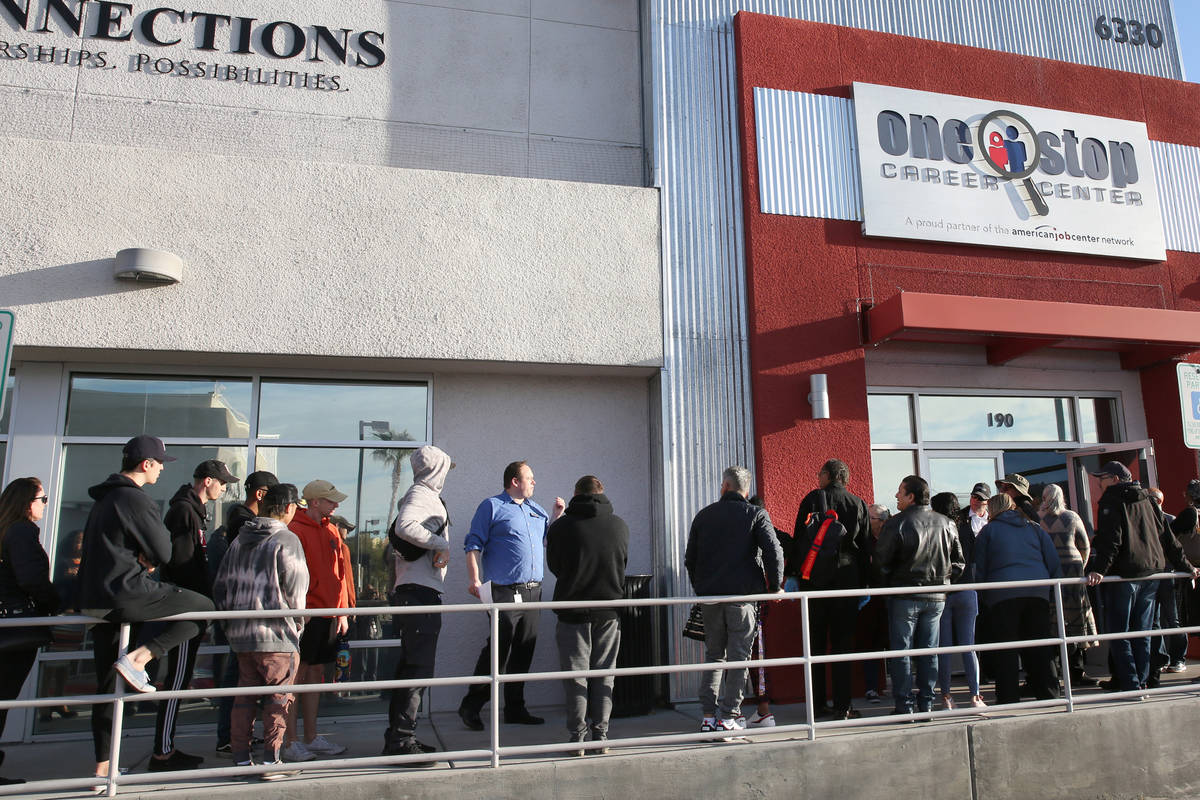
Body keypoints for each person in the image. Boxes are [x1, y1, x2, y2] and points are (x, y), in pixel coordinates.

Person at [77, 435, 215, 783]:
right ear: (146, 464)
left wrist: (145, 555)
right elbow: (165, 551)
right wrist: (149, 557)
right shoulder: (134, 498)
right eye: (160, 464)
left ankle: (103, 768)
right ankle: (140, 658)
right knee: (203, 608)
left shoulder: (105, 498)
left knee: (108, 687)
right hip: (127, 594)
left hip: (98, 600)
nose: (161, 471)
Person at [213, 483, 308, 781]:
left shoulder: (238, 540)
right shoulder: (287, 539)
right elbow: (296, 589)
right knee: (278, 700)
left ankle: (242, 760)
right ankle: (271, 761)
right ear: (288, 508)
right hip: (277, 635)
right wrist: (298, 624)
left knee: (244, 700)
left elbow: (221, 587)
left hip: (242, 636)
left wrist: (231, 625)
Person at [458, 461, 564, 730]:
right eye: (530, 478)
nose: (534, 482)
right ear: (515, 481)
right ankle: (471, 705)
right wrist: (474, 579)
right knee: (498, 649)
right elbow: (473, 544)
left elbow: (544, 541)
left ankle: (515, 708)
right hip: (503, 591)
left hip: (533, 591)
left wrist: (556, 517)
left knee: (524, 649)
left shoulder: (536, 510)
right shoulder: (492, 506)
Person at [151, 459, 239, 771]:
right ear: (207, 481)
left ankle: (166, 748)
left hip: (192, 606)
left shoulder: (193, 511)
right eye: (222, 482)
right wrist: (200, 600)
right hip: (185, 608)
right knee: (177, 679)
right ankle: (162, 752)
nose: (224, 488)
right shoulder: (184, 511)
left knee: (181, 678)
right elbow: (181, 564)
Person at [684, 466, 783, 735]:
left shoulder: (704, 515)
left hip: (711, 598)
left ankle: (708, 716)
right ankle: (729, 717)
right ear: (746, 491)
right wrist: (774, 587)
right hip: (743, 597)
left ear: (725, 486)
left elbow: (690, 559)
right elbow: (773, 551)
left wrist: (701, 588)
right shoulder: (756, 514)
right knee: (739, 658)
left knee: (715, 655)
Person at [1085, 461, 1199, 693]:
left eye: (1102, 479)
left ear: (1115, 479)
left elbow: (1111, 539)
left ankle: (1131, 683)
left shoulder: (1111, 499)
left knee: (1120, 633)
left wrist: (1100, 569)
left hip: (1125, 576)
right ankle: (1143, 681)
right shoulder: (1148, 499)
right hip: (1152, 574)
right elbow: (1168, 538)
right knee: (1143, 632)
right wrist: (1186, 566)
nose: (1098, 484)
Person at [547, 475, 630, 755]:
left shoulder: (561, 528)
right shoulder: (619, 526)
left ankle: (577, 738)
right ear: (601, 493)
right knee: (605, 675)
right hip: (609, 612)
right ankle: (601, 736)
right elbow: (622, 564)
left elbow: (555, 566)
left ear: (575, 494)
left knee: (575, 676)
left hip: (572, 611)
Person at [383, 445, 454, 765]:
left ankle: (399, 737)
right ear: (437, 470)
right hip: (419, 593)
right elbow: (404, 526)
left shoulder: (422, 494)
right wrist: (441, 543)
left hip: (416, 591)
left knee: (412, 667)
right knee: (417, 669)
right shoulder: (421, 494)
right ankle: (401, 740)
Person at [873, 475, 963, 717]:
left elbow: (880, 562)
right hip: (935, 596)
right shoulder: (946, 523)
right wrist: (944, 582)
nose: (896, 496)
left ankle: (905, 706)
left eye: (900, 492)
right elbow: (959, 563)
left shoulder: (897, 523)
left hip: (905, 594)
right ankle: (927, 704)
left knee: (902, 652)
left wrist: (890, 586)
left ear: (911, 496)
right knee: (928, 650)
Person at [791, 458, 870, 720]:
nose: (818, 478)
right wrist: (865, 585)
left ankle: (816, 706)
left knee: (814, 646)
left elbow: (798, 540)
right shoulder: (858, 503)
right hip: (846, 583)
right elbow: (865, 548)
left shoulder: (812, 500)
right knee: (842, 645)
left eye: (820, 474)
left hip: (814, 583)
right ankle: (843, 706)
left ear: (828, 475)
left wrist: (794, 575)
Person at [283, 480, 355, 762]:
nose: (335, 505)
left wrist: (342, 611)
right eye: (329, 500)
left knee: (315, 676)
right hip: (305, 615)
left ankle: (311, 737)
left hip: (328, 615)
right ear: (314, 501)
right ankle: (290, 741)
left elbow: (340, 574)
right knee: (295, 677)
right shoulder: (294, 529)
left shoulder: (332, 530)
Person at [212, 470, 279, 757]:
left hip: (243, 610)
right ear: (261, 494)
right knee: (238, 677)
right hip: (244, 611)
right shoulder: (245, 523)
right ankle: (230, 738)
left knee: (243, 676)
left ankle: (237, 737)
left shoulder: (240, 522)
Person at [0, 477, 59, 786]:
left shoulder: (6, 530)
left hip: (8, 627)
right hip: (15, 630)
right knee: (3, 698)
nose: (45, 505)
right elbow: (32, 580)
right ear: (27, 503)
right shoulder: (22, 531)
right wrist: (57, 602)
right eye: (42, 499)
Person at [976, 493, 1062, 704]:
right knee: (1040, 645)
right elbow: (1053, 560)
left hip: (1002, 593)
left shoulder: (989, 531)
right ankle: (1049, 693)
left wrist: (984, 594)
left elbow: (980, 567)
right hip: (1037, 592)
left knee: (1006, 649)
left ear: (993, 510)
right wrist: (1052, 590)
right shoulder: (1034, 527)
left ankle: (1008, 697)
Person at [1039, 484, 1098, 686]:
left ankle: (1053, 674)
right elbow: (1085, 545)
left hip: (1049, 573)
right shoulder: (1072, 517)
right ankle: (1076, 672)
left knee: (1053, 622)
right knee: (1076, 620)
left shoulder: (1038, 520)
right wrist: (1080, 566)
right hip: (1072, 572)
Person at [930, 492, 984, 710]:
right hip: (967, 588)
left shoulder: (936, 529)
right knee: (969, 646)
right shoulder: (965, 528)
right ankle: (975, 696)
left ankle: (946, 697)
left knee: (944, 648)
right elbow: (973, 557)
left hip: (943, 591)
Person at [1147, 487, 1187, 679]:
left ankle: (1179, 658)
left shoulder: (1170, 521)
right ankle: (1160, 658)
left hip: (1168, 574)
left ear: (1158, 501)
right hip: (1152, 575)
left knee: (1173, 619)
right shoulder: (1144, 521)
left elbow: (1177, 549)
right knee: (1154, 620)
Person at [861, 504, 891, 705]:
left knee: (895, 642)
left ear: (882, 521)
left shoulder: (892, 538)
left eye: (871, 518)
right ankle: (871, 688)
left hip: (891, 596)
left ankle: (900, 686)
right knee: (869, 642)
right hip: (870, 598)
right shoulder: (863, 540)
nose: (867, 521)